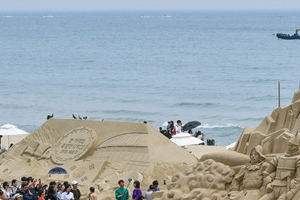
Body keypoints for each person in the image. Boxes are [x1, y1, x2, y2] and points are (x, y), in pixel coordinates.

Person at [259, 133, 300, 200]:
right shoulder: (278, 158)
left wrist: (292, 191)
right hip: (272, 188)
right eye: (289, 145)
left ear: (298, 147)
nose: (289, 147)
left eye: (292, 146)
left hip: (285, 190)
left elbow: (299, 179)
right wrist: (268, 183)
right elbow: (266, 173)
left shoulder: (298, 159)